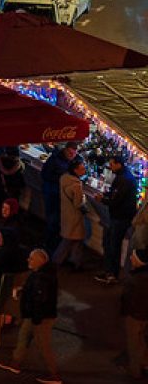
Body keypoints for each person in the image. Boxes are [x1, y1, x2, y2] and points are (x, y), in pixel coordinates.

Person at [0, 249, 60, 384]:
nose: (28, 260)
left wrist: (36, 318)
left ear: (40, 261)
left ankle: (54, 374)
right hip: (34, 315)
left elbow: (40, 300)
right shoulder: (40, 274)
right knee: (23, 336)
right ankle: (15, 363)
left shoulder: (42, 278)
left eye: (31, 259)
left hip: (41, 318)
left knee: (43, 346)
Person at [98, 155, 137, 284]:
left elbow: (116, 200)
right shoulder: (124, 177)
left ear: (118, 164)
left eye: (112, 164)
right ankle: (110, 272)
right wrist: (106, 195)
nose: (110, 167)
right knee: (111, 244)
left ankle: (111, 274)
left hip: (120, 218)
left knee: (113, 245)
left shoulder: (124, 179)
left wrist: (102, 199)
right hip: (121, 216)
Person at [40, 142, 78, 252]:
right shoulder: (55, 160)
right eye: (70, 153)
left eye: (74, 153)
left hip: (59, 195)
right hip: (52, 194)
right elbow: (45, 175)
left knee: (56, 221)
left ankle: (52, 245)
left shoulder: (69, 160)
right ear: (65, 150)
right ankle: (49, 246)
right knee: (53, 220)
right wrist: (62, 179)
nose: (72, 155)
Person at [53, 157, 88, 270]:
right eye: (82, 169)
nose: (84, 171)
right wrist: (84, 199)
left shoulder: (64, 178)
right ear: (75, 170)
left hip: (66, 212)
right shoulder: (77, 185)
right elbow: (78, 203)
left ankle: (74, 262)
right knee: (70, 240)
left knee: (73, 240)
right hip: (75, 216)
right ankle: (58, 261)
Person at [118, 248, 148, 378]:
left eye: (133, 257)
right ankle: (145, 364)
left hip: (135, 315)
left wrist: (125, 312)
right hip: (145, 316)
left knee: (134, 343)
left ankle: (134, 371)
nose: (131, 258)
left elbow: (127, 299)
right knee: (143, 340)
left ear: (140, 262)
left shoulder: (134, 279)